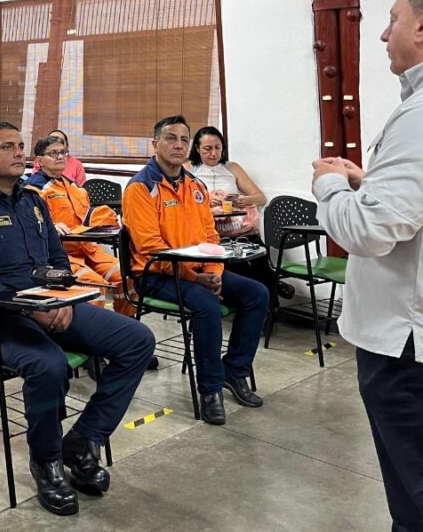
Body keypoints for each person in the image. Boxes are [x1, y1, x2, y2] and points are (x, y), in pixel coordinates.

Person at [0, 120, 154, 516]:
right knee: (48, 365)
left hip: (50, 307)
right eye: (8, 146)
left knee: (136, 340)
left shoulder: (33, 201)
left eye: (20, 145)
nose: (20, 152)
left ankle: (83, 440)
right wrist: (31, 308)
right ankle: (47, 461)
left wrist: (62, 298)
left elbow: (57, 261)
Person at [311, 0, 423, 532]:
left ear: (422, 27)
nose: (383, 34)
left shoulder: (420, 115)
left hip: (403, 344)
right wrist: (369, 183)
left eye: (393, 18)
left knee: (415, 496)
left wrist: (329, 183)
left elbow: (368, 233)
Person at [123, 115, 269, 426]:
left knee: (257, 293)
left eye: (184, 140)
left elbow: (210, 237)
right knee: (206, 305)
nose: (178, 145)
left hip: (201, 270)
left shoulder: (196, 186)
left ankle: (236, 370)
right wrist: (195, 277)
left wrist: (214, 270)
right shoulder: (140, 188)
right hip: (155, 274)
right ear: (155, 145)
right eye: (170, 138)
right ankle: (210, 389)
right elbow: (152, 249)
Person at [26, 135, 134, 317]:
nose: (60, 157)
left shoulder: (75, 187)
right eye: (53, 153)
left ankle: (125, 323)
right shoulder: (33, 190)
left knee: (125, 275)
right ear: (39, 161)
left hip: (89, 250)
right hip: (64, 254)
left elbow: (87, 218)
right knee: (94, 285)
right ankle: (92, 337)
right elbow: (30, 224)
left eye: (63, 152)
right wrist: (51, 225)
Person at [187, 126, 294, 299]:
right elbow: (180, 203)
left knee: (256, 253)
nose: (214, 153)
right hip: (207, 232)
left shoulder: (232, 167)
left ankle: (269, 297)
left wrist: (241, 200)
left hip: (236, 227)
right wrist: (205, 201)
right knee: (238, 265)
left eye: (218, 148)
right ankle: (273, 286)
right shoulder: (188, 169)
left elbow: (260, 198)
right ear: (197, 149)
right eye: (207, 149)